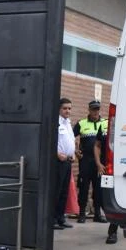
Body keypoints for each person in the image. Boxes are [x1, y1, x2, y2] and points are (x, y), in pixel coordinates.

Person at [73, 100, 108, 223]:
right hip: (85, 161)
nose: (95, 111)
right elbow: (69, 136)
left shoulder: (106, 123)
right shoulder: (81, 123)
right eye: (93, 109)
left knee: (98, 188)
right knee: (83, 187)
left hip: (100, 162)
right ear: (89, 110)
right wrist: (75, 150)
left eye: (97, 109)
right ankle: (82, 213)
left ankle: (97, 214)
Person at [53, 98, 76, 230]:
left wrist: (72, 154)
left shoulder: (67, 123)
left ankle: (61, 218)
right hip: (58, 161)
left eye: (69, 108)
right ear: (59, 109)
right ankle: (53, 219)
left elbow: (70, 140)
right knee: (56, 191)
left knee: (64, 192)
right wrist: (56, 154)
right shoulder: (56, 122)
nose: (68, 111)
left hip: (68, 161)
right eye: (65, 108)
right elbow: (51, 140)